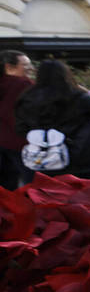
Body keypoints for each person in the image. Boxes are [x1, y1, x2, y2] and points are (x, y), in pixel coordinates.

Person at [15, 59, 90, 181]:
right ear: (65, 74)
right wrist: (89, 92)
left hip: (45, 160)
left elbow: (21, 128)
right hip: (85, 159)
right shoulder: (77, 97)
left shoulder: (27, 98)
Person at [0, 50, 34, 189]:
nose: (30, 68)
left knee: (6, 187)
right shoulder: (24, 84)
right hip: (21, 143)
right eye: (25, 65)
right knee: (33, 185)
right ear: (9, 67)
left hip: (2, 143)